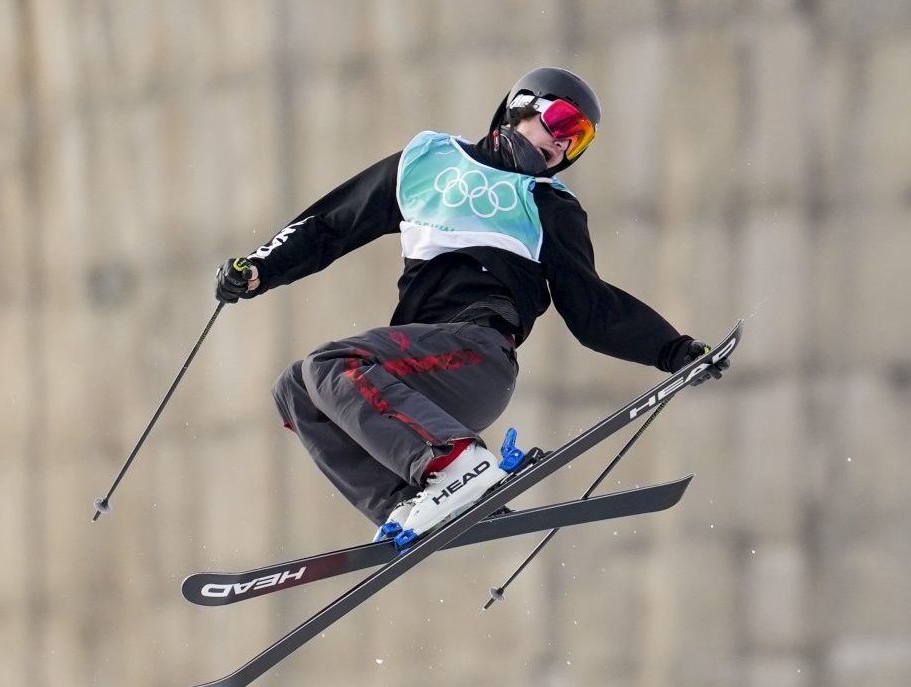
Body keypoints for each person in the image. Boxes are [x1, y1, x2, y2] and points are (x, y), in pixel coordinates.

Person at [216, 67, 714, 544]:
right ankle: (408, 501)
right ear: (520, 107)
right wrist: (260, 269)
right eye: (563, 123)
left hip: (477, 357)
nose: (563, 144)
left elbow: (591, 309)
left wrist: (673, 350)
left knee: (331, 365)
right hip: (417, 376)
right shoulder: (428, 162)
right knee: (296, 387)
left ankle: (457, 466)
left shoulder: (547, 204)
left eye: (578, 140)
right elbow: (332, 224)